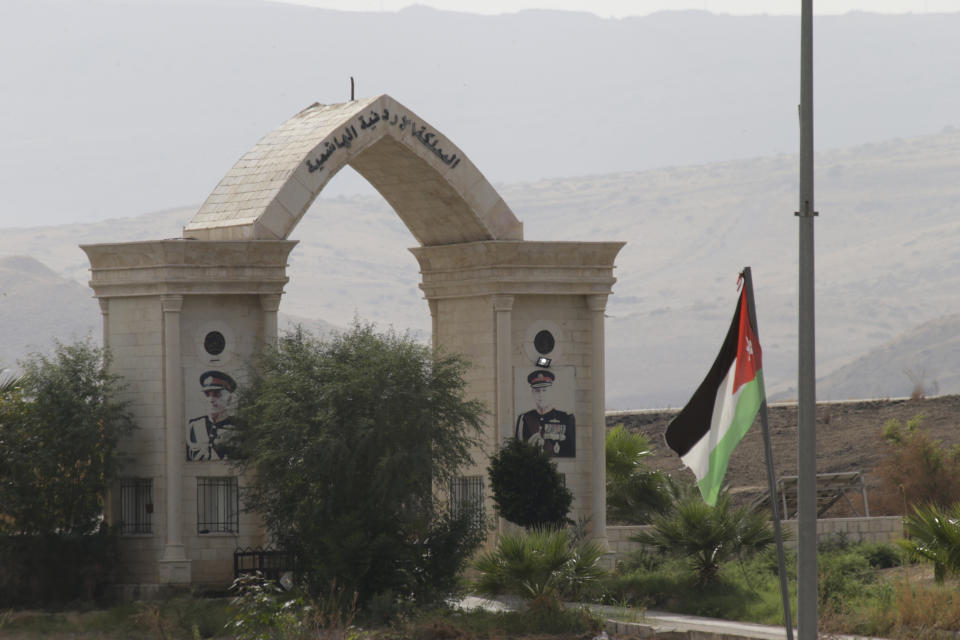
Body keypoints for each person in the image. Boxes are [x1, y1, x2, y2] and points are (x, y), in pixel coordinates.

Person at [515, 369, 575, 457]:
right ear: (532, 393)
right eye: (537, 391)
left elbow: (571, 451)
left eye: (545, 390)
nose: (541, 395)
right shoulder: (524, 419)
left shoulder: (566, 418)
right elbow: (517, 451)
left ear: (552, 391)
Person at [185, 370, 237, 461]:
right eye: (207, 394)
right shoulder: (193, 426)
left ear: (229, 398)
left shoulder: (239, 426)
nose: (211, 400)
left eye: (217, 394)